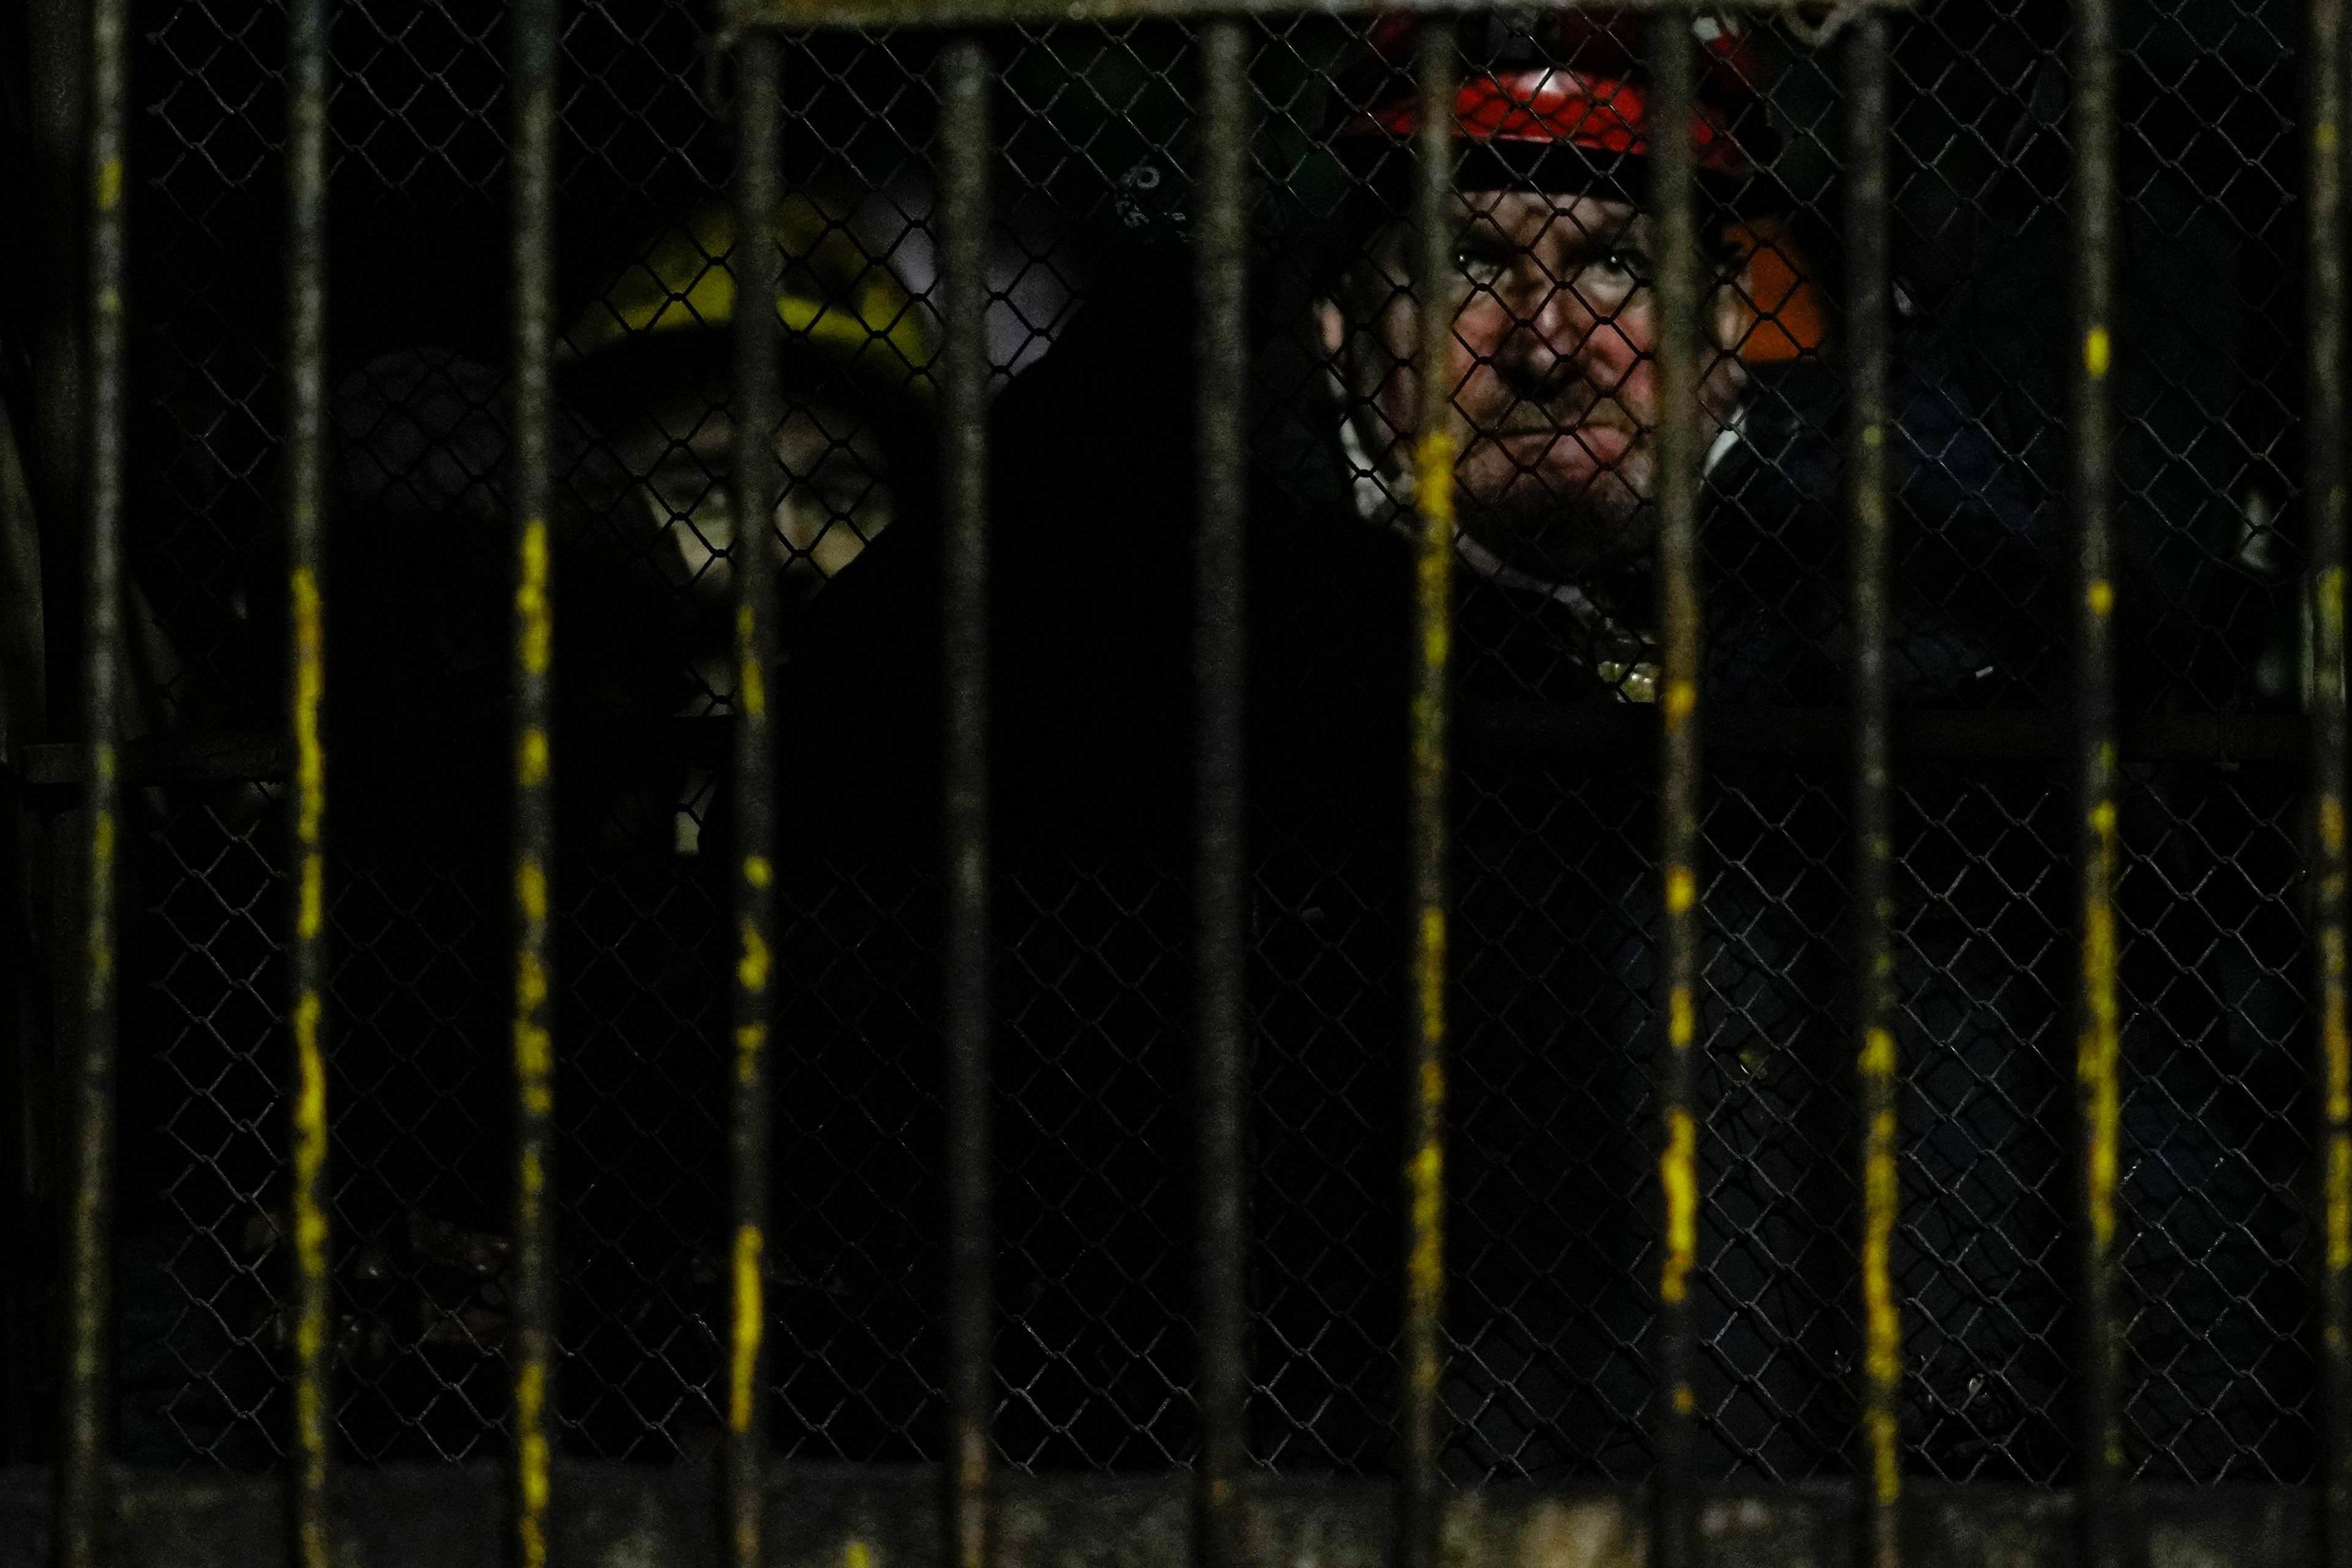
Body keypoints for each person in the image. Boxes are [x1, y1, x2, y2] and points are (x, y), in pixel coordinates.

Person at [780, 12, 2085, 1483]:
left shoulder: (1905, 558)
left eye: (1613, 264)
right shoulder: (1126, 525)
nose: (1543, 341)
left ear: (1727, 335)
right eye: (1470, 264)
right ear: (1341, 317)